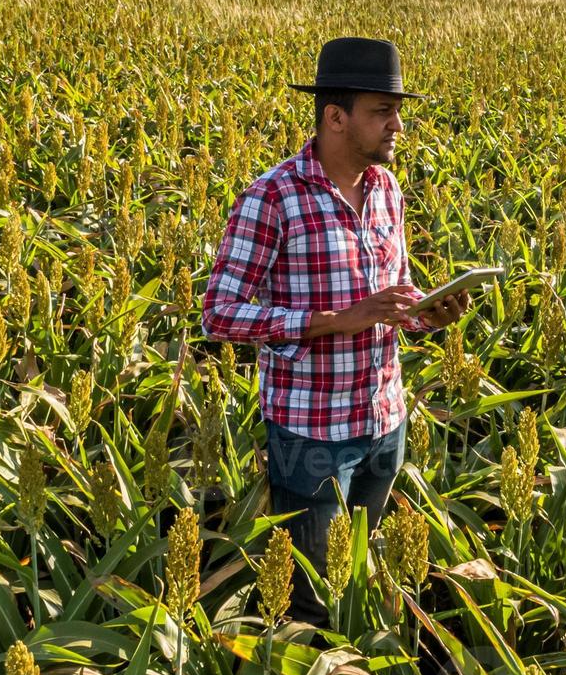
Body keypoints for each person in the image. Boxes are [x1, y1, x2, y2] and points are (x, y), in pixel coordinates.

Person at [199, 36, 471, 627]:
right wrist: (330, 321)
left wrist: (428, 312)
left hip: (383, 420)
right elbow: (218, 313)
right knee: (310, 593)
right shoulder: (273, 197)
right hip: (312, 433)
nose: (398, 124)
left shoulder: (386, 190)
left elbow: (392, 294)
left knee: (360, 572)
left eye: (398, 110)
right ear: (335, 116)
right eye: (383, 111)